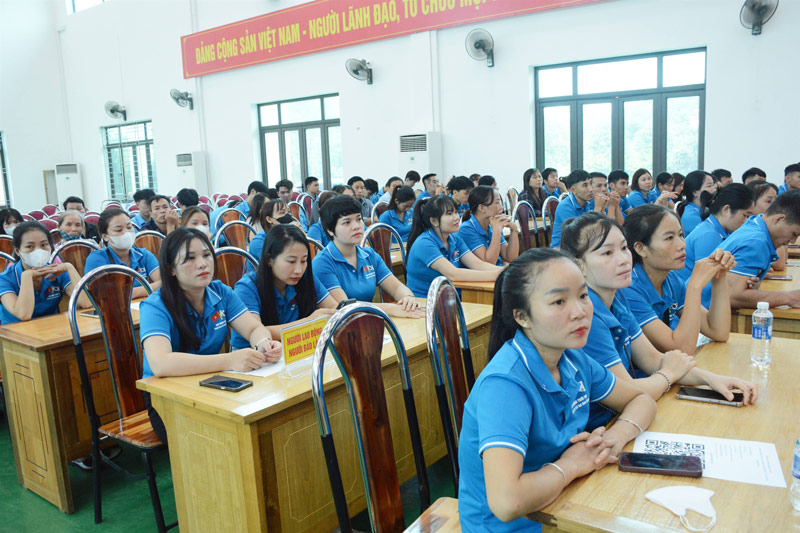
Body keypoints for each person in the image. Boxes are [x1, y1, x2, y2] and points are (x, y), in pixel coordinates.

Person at [458, 248, 657, 532]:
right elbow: (506, 502)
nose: (580, 312)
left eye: (583, 295)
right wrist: (570, 466)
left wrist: (613, 439)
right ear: (522, 317)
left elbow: (641, 400)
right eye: (559, 301)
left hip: (564, 502)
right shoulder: (505, 385)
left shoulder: (572, 358)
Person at [561, 213, 757, 431]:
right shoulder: (586, 316)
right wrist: (669, 374)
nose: (623, 259)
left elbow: (653, 359)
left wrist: (711, 379)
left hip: (633, 411)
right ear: (579, 266)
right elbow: (627, 391)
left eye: (624, 248)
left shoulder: (617, 298)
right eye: (607, 253)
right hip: (600, 428)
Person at [139, 228, 282, 443]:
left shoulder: (220, 291)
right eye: (190, 258)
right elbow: (161, 363)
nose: (202, 264)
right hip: (166, 397)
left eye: (206, 255)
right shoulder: (155, 306)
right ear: (171, 269)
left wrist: (264, 343)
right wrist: (229, 360)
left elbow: (254, 328)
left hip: (212, 384)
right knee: (223, 437)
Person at [622, 205, 734, 354]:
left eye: (681, 235)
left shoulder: (671, 280)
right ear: (641, 248)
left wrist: (719, 275)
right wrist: (694, 286)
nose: (682, 245)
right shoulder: (629, 289)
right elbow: (683, 347)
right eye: (669, 238)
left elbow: (719, 332)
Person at [312, 195, 422, 317]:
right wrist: (391, 308)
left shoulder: (369, 255)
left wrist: (408, 297)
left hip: (371, 320)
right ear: (330, 230)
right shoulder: (322, 263)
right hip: (346, 324)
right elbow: (345, 308)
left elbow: (396, 287)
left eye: (359, 219)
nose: (356, 226)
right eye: (347, 222)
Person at [230, 225, 337, 349]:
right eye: (291, 261)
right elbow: (257, 332)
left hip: (297, 352)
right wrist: (309, 323)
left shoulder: (306, 278)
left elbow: (333, 308)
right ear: (269, 259)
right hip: (256, 356)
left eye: (303, 261)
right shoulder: (247, 288)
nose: (298, 270)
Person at [405, 195, 502, 297]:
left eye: (456, 212)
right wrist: (497, 275)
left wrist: (504, 271)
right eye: (449, 214)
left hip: (450, 297)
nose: (457, 217)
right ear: (434, 221)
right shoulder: (424, 243)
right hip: (425, 301)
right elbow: (453, 274)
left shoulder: (454, 238)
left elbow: (478, 265)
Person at [721, 190, 800, 309]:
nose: (793, 241)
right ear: (779, 219)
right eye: (794, 234)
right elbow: (732, 296)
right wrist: (789, 297)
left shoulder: (755, 224)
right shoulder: (756, 241)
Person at [0, 221, 90, 324]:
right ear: (17, 251)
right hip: (14, 331)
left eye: (44, 245)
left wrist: (69, 267)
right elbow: (24, 315)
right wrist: (27, 276)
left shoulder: (57, 271)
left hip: (51, 327)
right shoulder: (4, 279)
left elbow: (86, 303)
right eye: (29, 246)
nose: (38, 251)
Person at [679, 184, 754, 307]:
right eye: (745, 215)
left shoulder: (719, 231)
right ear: (726, 210)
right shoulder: (710, 235)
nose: (746, 221)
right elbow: (707, 280)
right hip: (686, 303)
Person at [84, 208, 162, 299]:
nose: (126, 233)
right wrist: (149, 288)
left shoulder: (143, 255)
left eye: (129, 227)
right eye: (119, 230)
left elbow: (163, 283)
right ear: (105, 236)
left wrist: (126, 293)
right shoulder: (97, 259)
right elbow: (105, 295)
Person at [458, 185, 520, 266]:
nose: (501, 207)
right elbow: (489, 262)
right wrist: (497, 230)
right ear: (481, 208)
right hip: (486, 272)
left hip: (498, 270)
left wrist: (514, 229)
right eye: (497, 203)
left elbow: (511, 258)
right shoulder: (466, 229)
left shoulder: (492, 225)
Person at [549, 170, 595, 249]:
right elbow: (579, 235)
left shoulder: (589, 203)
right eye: (585, 185)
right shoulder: (564, 207)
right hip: (562, 250)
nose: (591, 189)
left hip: (581, 247)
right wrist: (598, 210)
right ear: (573, 190)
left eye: (591, 183)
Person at [676, 170, 717, 236]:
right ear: (694, 192)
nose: (714, 189)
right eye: (709, 186)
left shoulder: (702, 209)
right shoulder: (692, 217)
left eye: (713, 185)